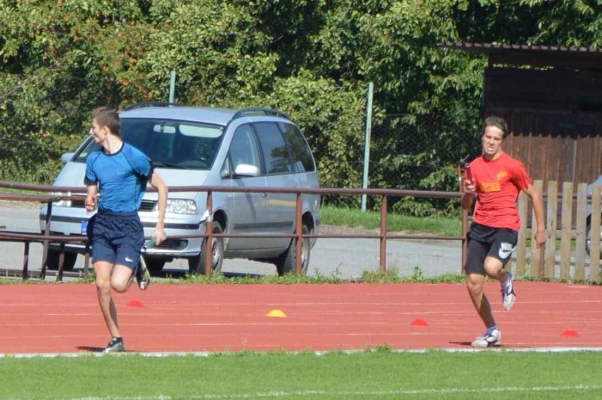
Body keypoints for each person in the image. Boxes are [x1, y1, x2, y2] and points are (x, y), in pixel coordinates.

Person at [84, 107, 168, 353]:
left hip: (128, 226)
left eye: (94, 128)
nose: (91, 132)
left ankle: (136, 266)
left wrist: (159, 226)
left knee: (119, 285)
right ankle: (116, 338)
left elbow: (162, 188)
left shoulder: (134, 157)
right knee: (101, 284)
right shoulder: (94, 159)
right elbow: (91, 190)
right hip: (102, 225)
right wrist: (91, 200)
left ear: (105, 130)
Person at [461, 115, 547, 348]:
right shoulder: (474, 167)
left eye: (496, 138)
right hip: (480, 227)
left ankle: (505, 278)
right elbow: (466, 206)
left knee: (491, 268)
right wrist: (469, 191)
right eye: (488, 137)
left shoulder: (512, 166)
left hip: (505, 227)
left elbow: (535, 195)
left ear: (502, 141)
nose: (491, 142)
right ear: (482, 137)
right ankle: (492, 330)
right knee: (473, 282)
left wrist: (541, 228)